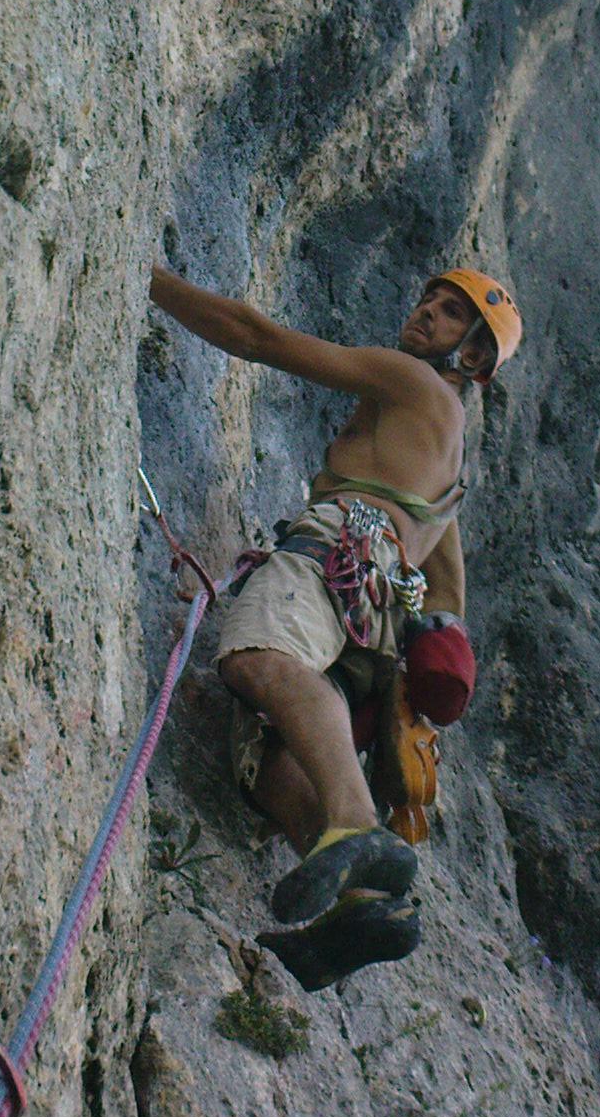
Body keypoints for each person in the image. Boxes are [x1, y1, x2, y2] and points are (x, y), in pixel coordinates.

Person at [147, 262, 522, 990]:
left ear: (472, 357)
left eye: (449, 316)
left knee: (260, 658)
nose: (425, 314)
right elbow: (447, 583)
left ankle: (353, 825)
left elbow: (256, 338)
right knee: (272, 756)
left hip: (336, 556)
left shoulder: (411, 381)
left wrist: (146, 278)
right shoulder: (448, 470)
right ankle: (361, 905)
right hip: (378, 611)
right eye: (429, 299)